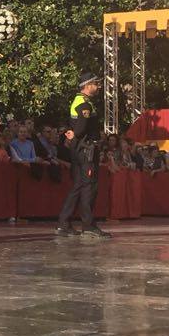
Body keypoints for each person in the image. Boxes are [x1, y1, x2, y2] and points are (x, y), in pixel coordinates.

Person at [57, 72, 110, 239]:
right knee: (89, 187)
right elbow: (80, 129)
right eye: (95, 84)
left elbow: (74, 128)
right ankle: (88, 225)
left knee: (78, 186)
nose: (98, 87)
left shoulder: (78, 101)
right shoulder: (85, 104)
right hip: (86, 150)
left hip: (79, 150)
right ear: (87, 85)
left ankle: (64, 223)